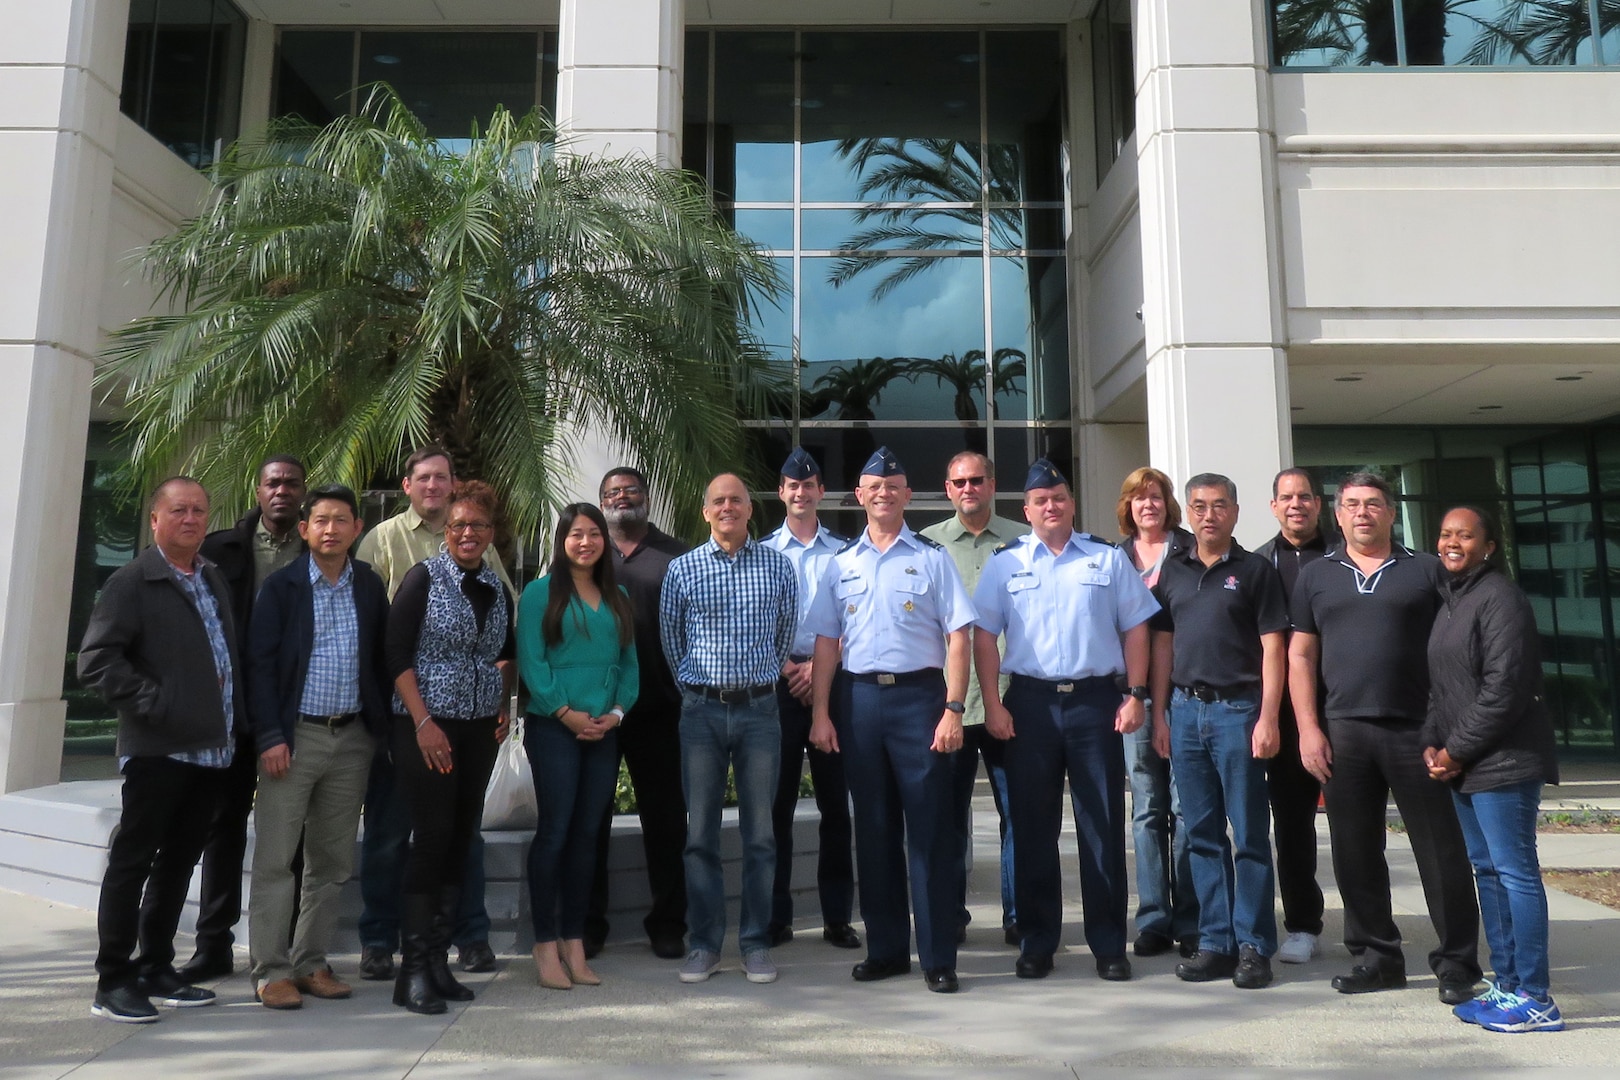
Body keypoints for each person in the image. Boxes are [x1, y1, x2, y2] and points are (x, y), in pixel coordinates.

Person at [1289, 471, 1482, 1004]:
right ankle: (1377, 958)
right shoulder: (1316, 575)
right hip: (1344, 731)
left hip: (1417, 731)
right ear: (1337, 512)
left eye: (1373, 504)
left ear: (1391, 512)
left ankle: (1458, 962)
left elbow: (1458, 647)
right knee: (1354, 851)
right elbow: (1300, 655)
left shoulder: (1426, 570)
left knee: (1440, 851)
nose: (1362, 513)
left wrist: (1450, 731)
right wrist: (1308, 728)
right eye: (1351, 504)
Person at [973, 459, 1157, 983]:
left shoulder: (1106, 559)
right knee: (1032, 829)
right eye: (1040, 501)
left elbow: (1138, 628)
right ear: (1026, 510)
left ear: (1072, 504)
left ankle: (1107, 945)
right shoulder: (1005, 563)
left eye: (1058, 498)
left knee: (1101, 825)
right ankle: (1037, 941)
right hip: (1029, 704)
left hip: (1095, 702)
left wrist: (1137, 694)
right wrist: (993, 702)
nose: (1050, 507)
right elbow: (983, 634)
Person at [807, 447, 974, 994]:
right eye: (872, 485)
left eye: (893, 485)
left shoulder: (931, 558)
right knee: (873, 831)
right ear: (859, 496)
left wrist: (953, 708)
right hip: (859, 703)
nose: (883, 492)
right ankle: (885, 950)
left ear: (907, 495)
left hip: (918, 701)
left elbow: (958, 637)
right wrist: (821, 715)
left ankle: (938, 956)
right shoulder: (842, 564)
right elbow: (827, 645)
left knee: (928, 832)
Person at [78, 477, 242, 1023]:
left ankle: (155, 966)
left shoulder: (211, 575)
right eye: (178, 511)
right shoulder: (132, 581)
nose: (190, 519)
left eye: (199, 510)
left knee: (177, 864)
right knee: (132, 863)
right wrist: (157, 702)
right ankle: (113, 980)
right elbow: (97, 661)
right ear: (155, 520)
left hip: (209, 752)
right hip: (158, 751)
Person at [355, 446, 512, 980]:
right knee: (400, 835)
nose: (469, 532)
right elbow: (389, 643)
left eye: (443, 477)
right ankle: (391, 948)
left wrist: (504, 702)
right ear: (409, 485)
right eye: (424, 477)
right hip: (416, 724)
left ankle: (453, 947)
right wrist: (419, 721)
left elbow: (505, 641)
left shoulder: (490, 573)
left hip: (474, 729)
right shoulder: (398, 553)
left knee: (458, 836)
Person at [245, 485, 391, 1010]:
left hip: (352, 739)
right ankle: (270, 969)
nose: (331, 529)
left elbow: (380, 658)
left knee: (331, 861)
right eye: (321, 520)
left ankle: (311, 962)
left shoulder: (369, 586)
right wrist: (270, 735)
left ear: (357, 529)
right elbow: (259, 667)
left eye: (341, 520)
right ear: (304, 529)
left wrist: (377, 731)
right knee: (276, 859)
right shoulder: (282, 588)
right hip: (294, 737)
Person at [1423, 506, 1563, 1033]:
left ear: (1489, 546)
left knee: (1515, 874)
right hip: (1465, 764)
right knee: (1488, 872)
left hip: (1505, 761)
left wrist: (1455, 750)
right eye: (1445, 534)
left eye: (1465, 534)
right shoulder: (1452, 602)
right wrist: (1432, 744)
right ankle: (1506, 986)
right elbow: (1442, 689)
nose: (1452, 542)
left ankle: (1537, 996)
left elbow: (1504, 689)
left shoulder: (1501, 598)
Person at [1149, 473, 1287, 990]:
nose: (1209, 515)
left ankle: (1253, 944)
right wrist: (1160, 713)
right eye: (1200, 506)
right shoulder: (1174, 570)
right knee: (1200, 834)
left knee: (1249, 833)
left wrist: (1268, 717)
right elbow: (1162, 645)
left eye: (1220, 506)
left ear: (1235, 511)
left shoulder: (1255, 571)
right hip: (1185, 713)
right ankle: (1215, 942)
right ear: (1187, 512)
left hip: (1238, 713)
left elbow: (1274, 648)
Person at [660, 473, 798, 984]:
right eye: (717, 500)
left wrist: (754, 681)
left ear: (748, 508)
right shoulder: (683, 569)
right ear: (705, 511)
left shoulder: (779, 567)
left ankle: (756, 942)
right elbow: (672, 640)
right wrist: (701, 690)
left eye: (736, 499)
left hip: (761, 712)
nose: (727, 507)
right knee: (700, 834)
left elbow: (785, 633)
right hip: (701, 713)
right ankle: (705, 945)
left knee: (761, 833)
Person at [180, 454, 307, 983]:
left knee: (290, 835)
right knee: (223, 827)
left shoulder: (319, 551)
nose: (281, 490)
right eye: (272, 482)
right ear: (257, 491)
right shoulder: (220, 550)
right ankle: (213, 944)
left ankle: (285, 948)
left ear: (302, 493)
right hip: (232, 713)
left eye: (291, 483)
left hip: (296, 710)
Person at [516, 504, 638, 990]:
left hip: (603, 731)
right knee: (556, 833)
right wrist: (565, 713)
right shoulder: (539, 594)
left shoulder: (619, 595)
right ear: (562, 540)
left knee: (589, 837)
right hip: (554, 728)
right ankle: (545, 944)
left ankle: (575, 940)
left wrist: (616, 713)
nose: (585, 542)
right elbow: (532, 661)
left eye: (594, 534)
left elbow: (629, 665)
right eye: (576, 534)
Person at [919, 450, 1025, 946]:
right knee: (946, 820)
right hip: (950, 706)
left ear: (993, 484)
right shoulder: (927, 547)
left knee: (1019, 818)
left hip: (1011, 701)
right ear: (947, 489)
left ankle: (1018, 916)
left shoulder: (1023, 541)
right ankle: (949, 917)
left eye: (977, 480)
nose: (969, 488)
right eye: (959, 481)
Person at [584, 467, 691, 960]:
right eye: (612, 493)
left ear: (646, 498)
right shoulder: (585, 552)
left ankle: (668, 924)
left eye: (630, 491)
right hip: (597, 712)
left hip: (659, 711)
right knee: (592, 821)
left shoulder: (678, 556)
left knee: (666, 823)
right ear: (601, 501)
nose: (621, 498)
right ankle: (589, 926)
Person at [760, 448, 860, 950]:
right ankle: (777, 917)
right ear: (781, 492)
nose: (801, 493)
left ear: (822, 491)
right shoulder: (761, 552)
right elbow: (753, 620)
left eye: (810, 485)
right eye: (791, 486)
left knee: (834, 808)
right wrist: (788, 668)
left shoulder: (844, 551)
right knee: (775, 805)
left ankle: (837, 916)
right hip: (776, 683)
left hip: (833, 682)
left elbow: (851, 618)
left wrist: (819, 669)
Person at [1116, 466, 1199, 958]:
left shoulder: (1191, 552)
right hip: (1133, 696)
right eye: (1138, 498)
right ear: (1127, 507)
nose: (1147, 505)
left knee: (1186, 807)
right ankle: (1153, 918)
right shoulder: (1112, 558)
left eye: (1155, 497)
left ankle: (1191, 917)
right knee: (1146, 807)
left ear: (1168, 504)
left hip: (1187, 694)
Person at [1253, 467, 1330, 965]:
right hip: (1281, 715)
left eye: (1305, 496)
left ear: (1319, 504)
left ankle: (1372, 924)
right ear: (1273, 506)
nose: (1296, 504)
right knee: (1293, 824)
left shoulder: (1344, 557)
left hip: (1346, 706)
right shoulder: (1260, 565)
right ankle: (1303, 923)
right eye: (1287, 497)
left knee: (1356, 826)